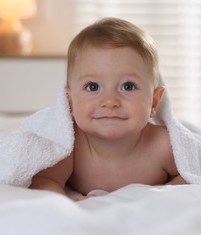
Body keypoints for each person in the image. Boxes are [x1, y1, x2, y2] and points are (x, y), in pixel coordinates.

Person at [30, 17, 186, 200]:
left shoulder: (163, 145)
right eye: (93, 87)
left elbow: (191, 173)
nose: (110, 101)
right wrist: (67, 202)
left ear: (153, 102)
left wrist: (169, 189)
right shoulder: (69, 147)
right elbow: (44, 180)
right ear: (69, 102)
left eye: (128, 86)